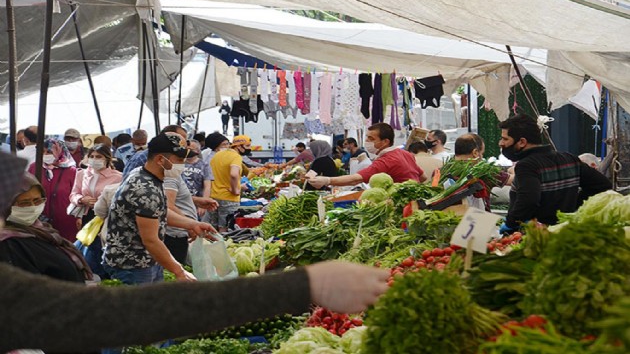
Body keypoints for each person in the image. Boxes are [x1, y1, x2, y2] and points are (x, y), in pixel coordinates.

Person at [0, 153, 388, 353]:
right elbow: (111, 313)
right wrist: (303, 285)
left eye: (37, 199)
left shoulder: (33, 236)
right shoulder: (11, 253)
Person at [103, 133, 216, 285]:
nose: (183, 165)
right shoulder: (145, 188)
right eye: (179, 160)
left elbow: (157, 212)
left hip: (147, 260)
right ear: (161, 160)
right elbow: (150, 240)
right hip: (133, 265)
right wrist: (179, 271)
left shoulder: (146, 175)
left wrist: (192, 224)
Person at [498, 115, 612, 233]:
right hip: (565, 232)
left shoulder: (527, 165)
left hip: (536, 237)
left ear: (522, 142)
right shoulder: (569, 159)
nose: (501, 143)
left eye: (505, 139)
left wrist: (511, 224)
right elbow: (602, 185)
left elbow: (529, 200)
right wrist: (574, 206)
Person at [0, 173, 92, 283]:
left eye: (37, 200)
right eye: (24, 203)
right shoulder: (8, 244)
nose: (33, 207)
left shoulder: (42, 230)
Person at [309, 123, 426, 189]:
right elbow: (423, 177)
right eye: (367, 137)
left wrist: (327, 180)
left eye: (371, 139)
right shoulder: (405, 154)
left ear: (385, 142)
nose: (367, 141)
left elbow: (355, 179)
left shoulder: (386, 160)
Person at [69, 144, 123, 278]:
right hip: (88, 216)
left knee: (103, 249)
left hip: (107, 218)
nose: (94, 159)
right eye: (91, 156)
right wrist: (82, 199)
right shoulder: (82, 173)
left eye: (98, 156)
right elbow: (73, 194)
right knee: (89, 249)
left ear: (107, 158)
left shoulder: (118, 177)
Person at [28, 138, 78, 242]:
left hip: (66, 222)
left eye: (49, 151)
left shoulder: (72, 171)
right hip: (40, 220)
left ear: (59, 151)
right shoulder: (35, 167)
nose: (45, 154)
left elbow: (77, 194)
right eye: (42, 152)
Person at [210, 135, 251, 232]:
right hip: (229, 198)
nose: (249, 149)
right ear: (238, 146)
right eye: (247, 146)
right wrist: (235, 189)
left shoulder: (218, 155)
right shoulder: (235, 157)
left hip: (214, 196)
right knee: (226, 229)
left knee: (213, 229)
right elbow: (233, 174)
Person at [123, 125, 187, 178]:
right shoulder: (142, 158)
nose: (185, 143)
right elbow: (128, 181)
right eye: (180, 139)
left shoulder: (173, 162)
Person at [182, 139, 213, 217]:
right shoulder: (179, 163)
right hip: (181, 202)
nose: (188, 151)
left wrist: (203, 203)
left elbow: (207, 186)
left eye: (191, 149)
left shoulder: (204, 165)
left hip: (197, 203)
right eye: (186, 148)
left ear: (198, 151)